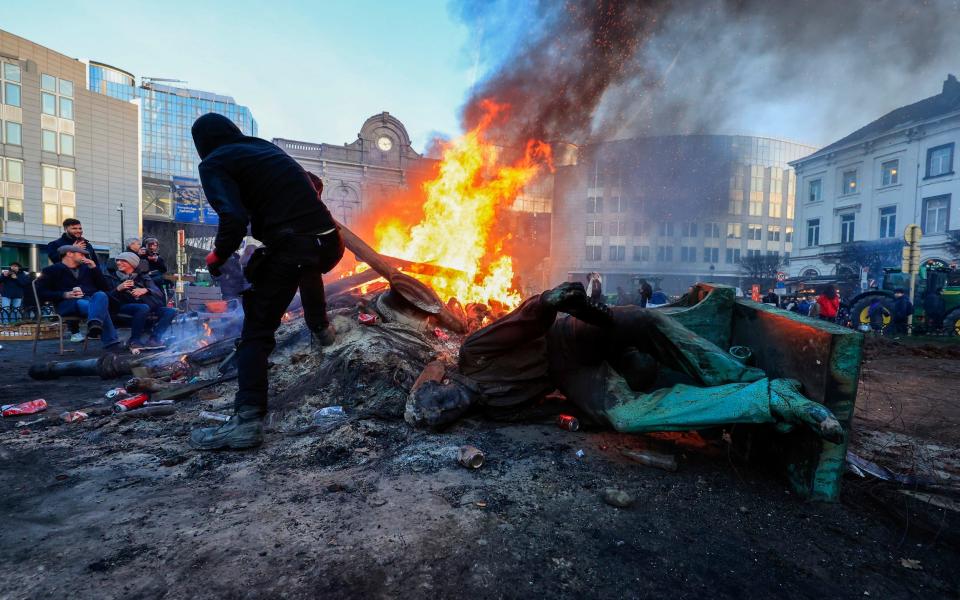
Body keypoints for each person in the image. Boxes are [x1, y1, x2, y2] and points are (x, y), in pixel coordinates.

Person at [405, 282, 844, 445]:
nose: (450, 406)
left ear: (440, 384)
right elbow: (557, 404)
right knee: (627, 417)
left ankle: (740, 377)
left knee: (643, 320)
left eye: (440, 400)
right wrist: (593, 412)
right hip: (574, 373)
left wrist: (551, 300)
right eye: (446, 414)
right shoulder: (494, 409)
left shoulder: (472, 354)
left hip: (565, 336)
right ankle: (765, 398)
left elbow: (524, 321)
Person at [188, 112, 344, 450]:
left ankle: (246, 422)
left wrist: (217, 256)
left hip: (294, 244)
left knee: (255, 336)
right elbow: (313, 183)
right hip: (328, 243)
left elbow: (233, 217)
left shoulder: (214, 162)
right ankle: (322, 329)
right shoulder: (262, 149)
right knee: (304, 262)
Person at [36, 246, 123, 351]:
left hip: (91, 300)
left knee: (101, 295)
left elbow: (104, 288)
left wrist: (95, 269)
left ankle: (95, 324)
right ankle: (111, 342)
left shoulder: (87, 269)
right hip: (67, 304)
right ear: (69, 254)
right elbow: (41, 292)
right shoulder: (51, 270)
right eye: (81, 254)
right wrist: (64, 294)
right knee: (99, 308)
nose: (84, 257)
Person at [107, 252, 177, 349]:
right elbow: (107, 297)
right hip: (122, 306)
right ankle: (134, 340)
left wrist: (145, 290)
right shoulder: (112, 277)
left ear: (132, 263)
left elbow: (158, 292)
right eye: (117, 260)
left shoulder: (143, 277)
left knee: (170, 311)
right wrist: (118, 288)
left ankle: (154, 339)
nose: (118, 263)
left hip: (147, 305)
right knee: (143, 308)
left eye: (123, 261)